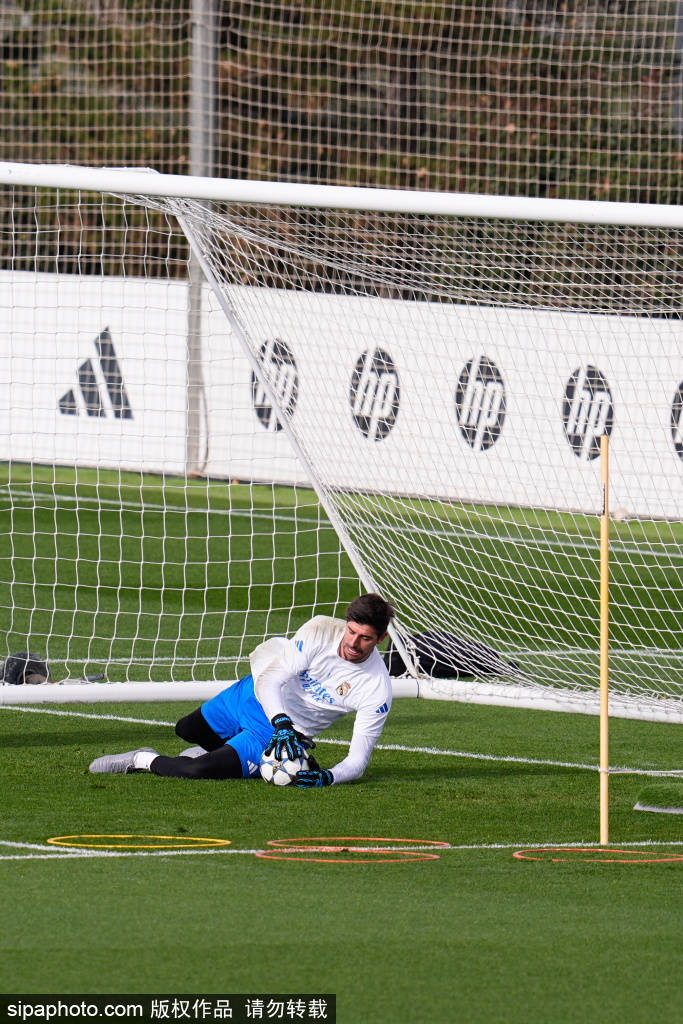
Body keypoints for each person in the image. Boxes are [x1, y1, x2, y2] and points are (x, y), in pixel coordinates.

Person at [89, 593, 395, 787]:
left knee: (195, 771)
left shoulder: (376, 689)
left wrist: (327, 777)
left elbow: (357, 762)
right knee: (186, 729)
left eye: (365, 638)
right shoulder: (321, 630)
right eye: (351, 631)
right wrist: (281, 721)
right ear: (346, 623)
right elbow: (270, 679)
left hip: (273, 735)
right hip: (255, 694)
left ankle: (142, 759)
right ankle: (219, 755)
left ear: (380, 639)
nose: (353, 643)